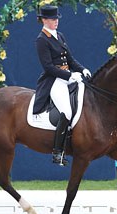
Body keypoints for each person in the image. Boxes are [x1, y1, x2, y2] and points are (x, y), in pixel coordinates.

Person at [33, 5, 91, 166]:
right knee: (66, 111)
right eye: (52, 19)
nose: (56, 21)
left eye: (57, 18)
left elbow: (70, 60)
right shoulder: (41, 40)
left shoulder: (60, 35)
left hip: (68, 78)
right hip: (54, 81)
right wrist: (70, 75)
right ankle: (57, 152)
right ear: (44, 20)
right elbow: (48, 67)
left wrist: (82, 69)